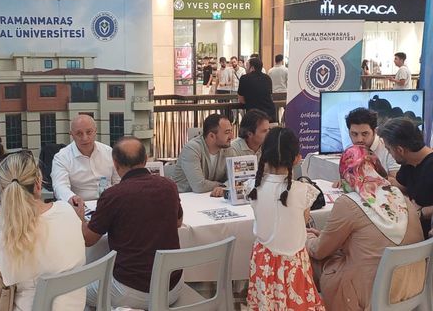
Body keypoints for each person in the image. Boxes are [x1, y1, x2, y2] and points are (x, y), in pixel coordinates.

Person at [0, 151, 86, 311]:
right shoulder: (67, 211)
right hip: (75, 306)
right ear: (38, 184)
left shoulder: (11, 235)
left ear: (3, 191)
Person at [306, 145, 425, 310]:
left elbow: (319, 250)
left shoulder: (348, 203)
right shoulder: (401, 197)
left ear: (346, 174)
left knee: (312, 257)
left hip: (370, 293)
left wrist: (308, 238)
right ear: (376, 168)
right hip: (411, 286)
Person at [74, 137, 183, 309]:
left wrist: (79, 217)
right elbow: (178, 222)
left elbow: (89, 239)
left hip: (130, 290)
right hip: (173, 287)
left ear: (115, 164)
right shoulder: (169, 186)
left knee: (75, 292)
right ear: (146, 159)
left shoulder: (113, 195)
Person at [246, 128, 324, 310]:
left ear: (263, 155)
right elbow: (303, 220)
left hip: (262, 259)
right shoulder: (304, 190)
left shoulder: (253, 186)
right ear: (297, 158)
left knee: (266, 303)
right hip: (294, 260)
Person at [378, 117, 433, 234]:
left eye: (389, 149)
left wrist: (422, 212)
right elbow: (403, 186)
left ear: (400, 150)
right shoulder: (408, 163)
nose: (389, 154)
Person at [52, 115, 120, 205]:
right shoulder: (61, 157)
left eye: (89, 132)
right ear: (71, 134)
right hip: (80, 206)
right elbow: (60, 186)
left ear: (95, 131)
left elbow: (118, 181)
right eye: (79, 133)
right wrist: (72, 198)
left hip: (109, 203)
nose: (85, 138)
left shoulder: (109, 152)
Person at [171, 114, 233, 196]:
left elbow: (235, 178)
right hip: (185, 199)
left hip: (210, 199)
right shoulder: (192, 149)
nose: (232, 136)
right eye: (227, 132)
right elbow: (199, 186)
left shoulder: (227, 148)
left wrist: (225, 186)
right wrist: (223, 185)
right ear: (211, 136)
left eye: (231, 131)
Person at [342, 108, 400, 183]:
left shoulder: (388, 148)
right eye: (354, 134)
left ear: (375, 131)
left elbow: (399, 183)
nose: (359, 139)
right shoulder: (350, 150)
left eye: (365, 134)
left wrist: (377, 173)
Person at [237, 57, 276, 122]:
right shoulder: (267, 78)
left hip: (254, 116)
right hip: (270, 114)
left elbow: (241, 99)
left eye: (247, 66)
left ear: (252, 68)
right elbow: (270, 95)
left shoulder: (244, 78)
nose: (246, 68)